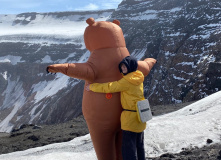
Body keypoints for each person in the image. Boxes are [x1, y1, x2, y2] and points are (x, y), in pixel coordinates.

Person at [86, 56, 149, 160]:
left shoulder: (127, 81)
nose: (123, 68)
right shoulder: (138, 77)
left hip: (130, 119)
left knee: (128, 149)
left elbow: (110, 87)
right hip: (141, 116)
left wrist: (93, 87)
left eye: (125, 66)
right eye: (122, 67)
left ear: (131, 66)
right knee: (139, 146)